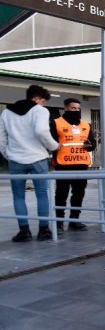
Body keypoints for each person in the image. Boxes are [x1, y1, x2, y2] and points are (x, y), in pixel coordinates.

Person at [0, 85, 60, 242]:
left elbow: (1, 138)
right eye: (43, 101)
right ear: (36, 98)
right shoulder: (39, 111)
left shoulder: (6, 112)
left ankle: (24, 231)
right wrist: (54, 146)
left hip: (15, 160)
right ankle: (43, 230)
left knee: (18, 196)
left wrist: (8, 154)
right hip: (38, 159)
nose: (43, 104)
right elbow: (41, 131)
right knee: (42, 195)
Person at [50, 98, 96, 233]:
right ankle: (59, 223)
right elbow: (51, 142)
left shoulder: (86, 125)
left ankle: (74, 220)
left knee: (79, 194)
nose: (76, 111)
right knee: (61, 194)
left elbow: (93, 143)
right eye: (73, 108)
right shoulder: (56, 123)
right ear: (66, 108)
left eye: (77, 109)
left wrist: (90, 146)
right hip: (63, 164)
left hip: (81, 164)